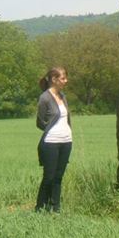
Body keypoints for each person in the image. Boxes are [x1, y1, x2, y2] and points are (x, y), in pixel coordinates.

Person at [35, 67, 72, 213]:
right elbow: (40, 122)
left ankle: (55, 208)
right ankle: (40, 208)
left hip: (66, 141)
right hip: (51, 142)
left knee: (58, 177)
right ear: (54, 80)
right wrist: (52, 129)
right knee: (49, 177)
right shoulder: (44, 98)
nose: (65, 81)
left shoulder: (63, 96)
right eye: (63, 78)